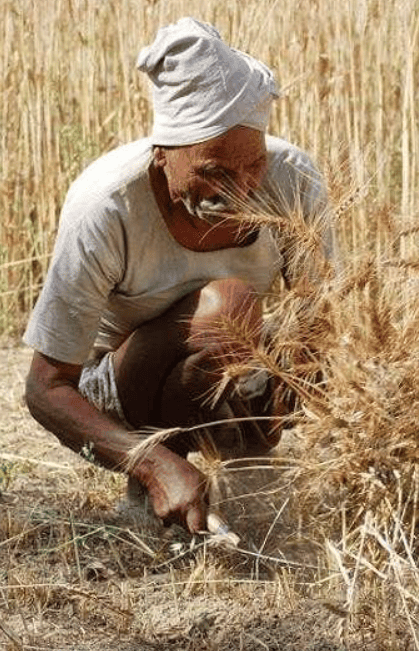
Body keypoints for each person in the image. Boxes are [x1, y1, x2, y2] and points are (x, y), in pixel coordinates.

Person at [23, 18, 332, 535]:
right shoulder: (107, 205)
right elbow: (46, 389)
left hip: (236, 367)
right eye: (214, 171)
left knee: (299, 338)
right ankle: (166, 474)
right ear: (162, 154)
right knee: (228, 308)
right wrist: (149, 461)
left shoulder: (292, 179)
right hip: (117, 394)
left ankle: (244, 484)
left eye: (252, 164)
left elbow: (326, 322)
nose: (241, 189)